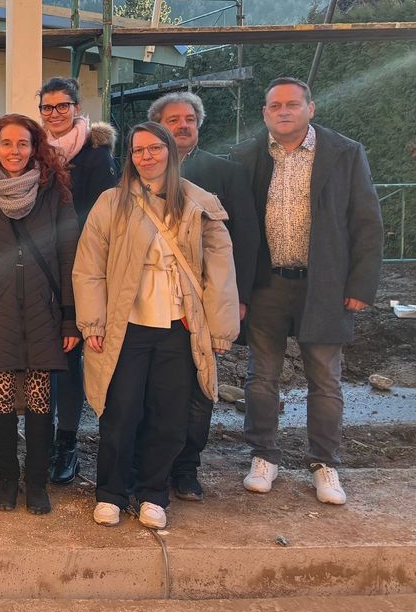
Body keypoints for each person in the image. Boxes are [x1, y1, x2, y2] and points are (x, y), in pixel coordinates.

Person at [73, 121, 240, 530]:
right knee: (120, 410)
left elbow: (220, 270)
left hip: (179, 325)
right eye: (137, 150)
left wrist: (220, 328)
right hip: (126, 325)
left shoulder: (200, 204)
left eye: (154, 148)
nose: (146, 156)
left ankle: (152, 491)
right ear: (129, 157)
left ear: (171, 151)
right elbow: (89, 267)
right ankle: (110, 492)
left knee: (168, 414)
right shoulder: (111, 204)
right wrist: (92, 321)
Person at [231, 77, 383, 505]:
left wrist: (360, 285)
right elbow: (236, 230)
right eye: (275, 105)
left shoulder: (345, 154)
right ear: (264, 113)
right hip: (266, 287)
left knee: (326, 380)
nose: (284, 111)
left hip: (326, 286)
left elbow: (367, 223)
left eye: (292, 104)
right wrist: (238, 290)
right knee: (261, 378)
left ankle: (325, 462)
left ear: (310, 109)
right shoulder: (247, 157)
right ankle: (264, 456)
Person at [0, 114, 80, 515]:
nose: (14, 152)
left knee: (42, 400)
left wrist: (71, 318)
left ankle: (37, 483)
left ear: (35, 148)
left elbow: (68, 256)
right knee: (4, 398)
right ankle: (8, 479)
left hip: (44, 309)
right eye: (5, 144)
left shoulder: (54, 192)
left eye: (22, 144)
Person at [148, 91, 259, 500]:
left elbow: (245, 238)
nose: (182, 125)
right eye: (173, 119)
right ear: (158, 125)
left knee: (200, 386)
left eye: (189, 119)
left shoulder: (224, 173)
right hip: (155, 302)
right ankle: (154, 465)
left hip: (205, 299)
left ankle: (186, 467)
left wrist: (239, 296)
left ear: (199, 124)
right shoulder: (141, 173)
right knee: (156, 388)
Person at [36, 76, 118, 486]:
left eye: (62, 106)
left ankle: (67, 441)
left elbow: (103, 216)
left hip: (82, 269)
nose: (55, 114)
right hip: (40, 269)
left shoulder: (96, 155)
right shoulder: (34, 151)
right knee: (44, 356)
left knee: (70, 359)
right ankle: (42, 437)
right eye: (47, 107)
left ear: (76, 106)